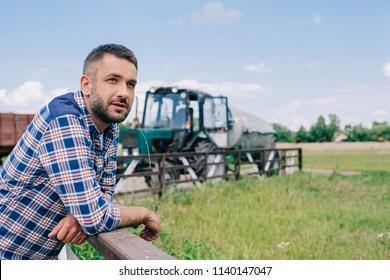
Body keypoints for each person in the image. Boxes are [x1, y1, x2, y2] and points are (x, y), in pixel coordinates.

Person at [0, 44, 161, 260]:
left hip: (41, 255)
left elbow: (103, 194)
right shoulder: (65, 120)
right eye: (113, 80)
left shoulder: (109, 127)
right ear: (86, 84)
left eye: (130, 84)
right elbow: (94, 215)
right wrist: (144, 213)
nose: (124, 92)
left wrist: (80, 214)